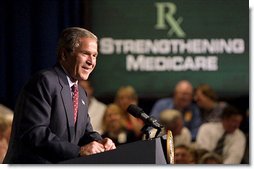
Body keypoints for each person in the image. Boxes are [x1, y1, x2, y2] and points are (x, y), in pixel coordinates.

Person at [3, 27, 115, 164]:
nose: (91, 62)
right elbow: (35, 133)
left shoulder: (80, 93)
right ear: (64, 54)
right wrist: (78, 151)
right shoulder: (45, 81)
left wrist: (99, 141)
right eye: (86, 54)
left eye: (95, 55)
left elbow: (85, 132)